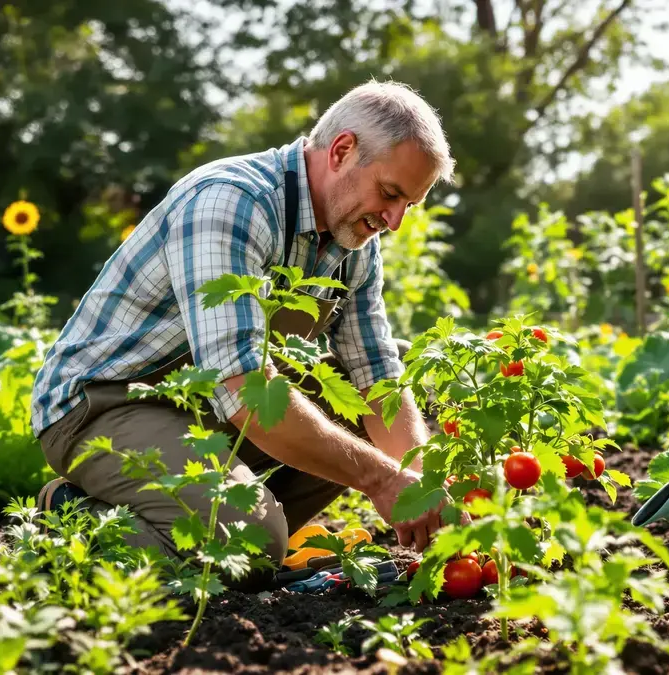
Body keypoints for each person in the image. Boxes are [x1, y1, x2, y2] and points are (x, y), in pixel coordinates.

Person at [29, 79, 456, 590]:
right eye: (390, 193)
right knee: (247, 545)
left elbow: (376, 375)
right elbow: (242, 389)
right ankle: (72, 516)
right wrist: (383, 479)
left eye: (409, 204)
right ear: (342, 150)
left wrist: (426, 485)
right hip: (105, 405)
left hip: (204, 406)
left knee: (386, 403)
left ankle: (214, 523)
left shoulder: (354, 240)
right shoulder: (232, 201)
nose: (395, 221)